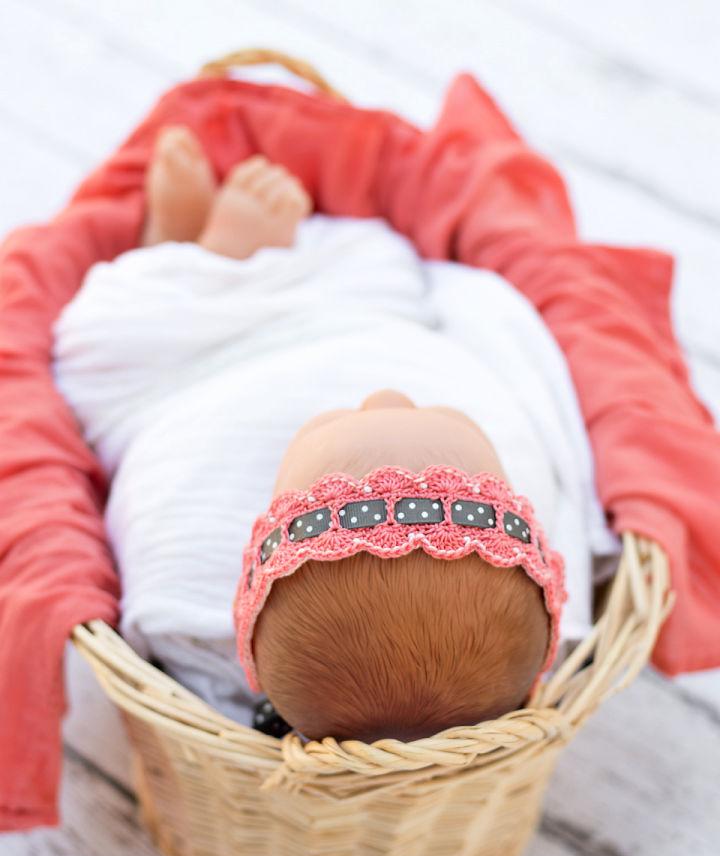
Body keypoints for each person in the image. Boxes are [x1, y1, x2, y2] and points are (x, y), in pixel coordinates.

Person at [53, 126, 614, 742]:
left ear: (245, 617)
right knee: (388, 273)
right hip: (366, 325)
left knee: (93, 355)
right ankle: (203, 268)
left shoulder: (184, 613)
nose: (386, 395)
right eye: (444, 417)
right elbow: (565, 480)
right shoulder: (537, 582)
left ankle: (196, 257)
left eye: (340, 421)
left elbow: (132, 468)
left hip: (213, 376)